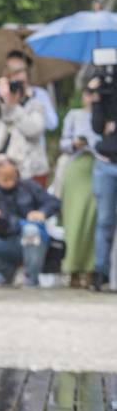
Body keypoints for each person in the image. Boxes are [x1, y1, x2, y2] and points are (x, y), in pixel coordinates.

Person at [0, 156, 61, 287]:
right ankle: (10, 274)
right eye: (5, 177)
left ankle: (30, 278)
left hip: (29, 243)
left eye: (13, 175)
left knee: (31, 230)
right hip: (3, 244)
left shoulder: (29, 186)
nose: (10, 180)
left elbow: (54, 203)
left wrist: (42, 212)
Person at [0, 56, 50, 185]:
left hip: (27, 169)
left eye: (20, 74)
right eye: (12, 76)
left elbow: (34, 131)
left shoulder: (35, 104)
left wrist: (14, 106)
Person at [57, 77, 103, 287]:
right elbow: (63, 144)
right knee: (74, 219)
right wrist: (75, 143)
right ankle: (72, 268)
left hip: (99, 167)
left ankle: (91, 268)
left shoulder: (107, 116)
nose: (92, 97)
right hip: (76, 168)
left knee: (95, 219)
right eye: (89, 92)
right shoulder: (74, 116)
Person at [0, 50, 60, 131]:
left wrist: (33, 100)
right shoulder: (0, 92)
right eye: (10, 70)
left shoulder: (39, 94)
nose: (13, 75)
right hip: (3, 149)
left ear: (27, 72)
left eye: (18, 71)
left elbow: (52, 125)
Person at [91, 71, 117, 292]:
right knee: (105, 220)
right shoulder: (105, 88)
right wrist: (97, 97)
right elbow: (98, 127)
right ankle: (100, 271)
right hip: (106, 162)